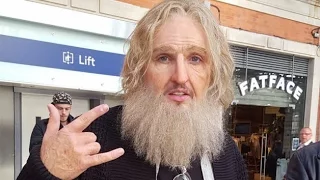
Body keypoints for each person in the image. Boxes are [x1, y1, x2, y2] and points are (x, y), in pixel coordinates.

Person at [17, 0, 248, 179]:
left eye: (195, 59)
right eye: (163, 58)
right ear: (139, 69)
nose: (180, 76)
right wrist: (46, 171)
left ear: (212, 73)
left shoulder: (228, 155)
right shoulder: (94, 139)